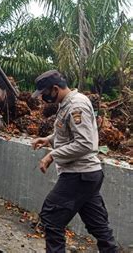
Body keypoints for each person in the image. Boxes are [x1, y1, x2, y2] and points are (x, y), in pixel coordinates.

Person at [31, 70, 117, 253]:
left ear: (55, 89)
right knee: (98, 224)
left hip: (79, 174)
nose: (43, 98)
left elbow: (85, 143)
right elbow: (67, 132)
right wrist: (49, 139)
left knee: (51, 217)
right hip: (87, 175)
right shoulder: (66, 103)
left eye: (45, 94)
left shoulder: (77, 105)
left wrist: (52, 155)